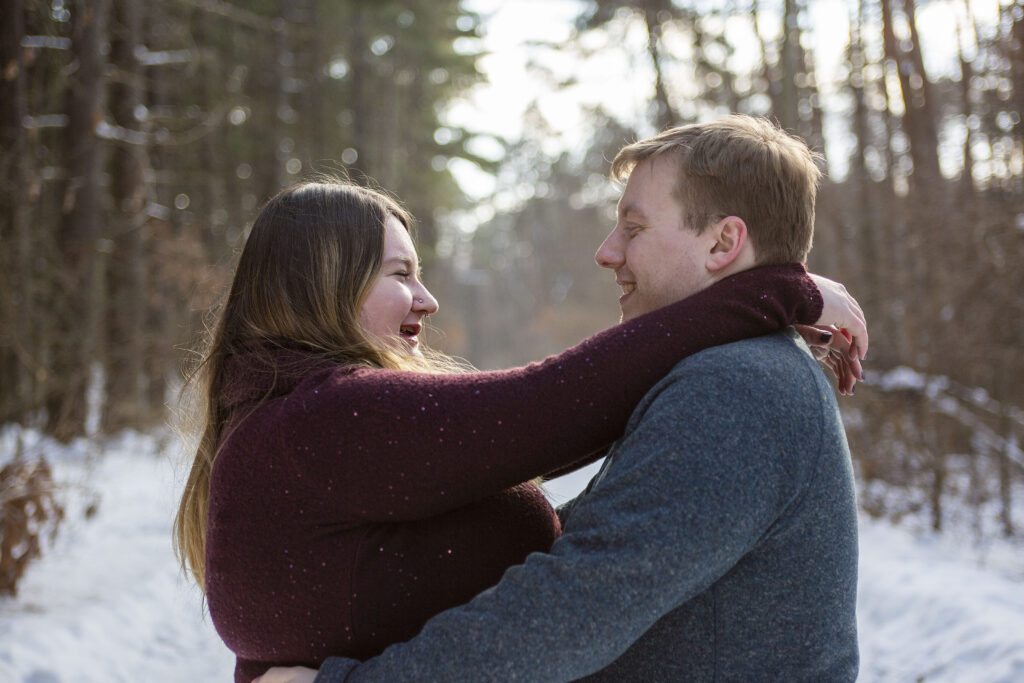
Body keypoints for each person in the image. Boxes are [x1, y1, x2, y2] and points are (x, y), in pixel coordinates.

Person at [174, 172, 862, 680]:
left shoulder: (284, 422)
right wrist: (782, 289)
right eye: (399, 273)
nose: (428, 297)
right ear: (322, 285)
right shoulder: (322, 419)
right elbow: (553, 407)